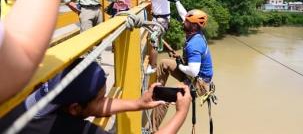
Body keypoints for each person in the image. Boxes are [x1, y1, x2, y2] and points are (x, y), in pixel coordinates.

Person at [0, 58, 191, 134]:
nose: (105, 100)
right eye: (101, 98)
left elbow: (92, 105)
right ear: (74, 108)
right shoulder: (66, 129)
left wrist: (138, 103)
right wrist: (181, 113)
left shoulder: (36, 91)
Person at [152, 6, 214, 131]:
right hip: (192, 75)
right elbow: (183, 15)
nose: (183, 22)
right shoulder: (194, 33)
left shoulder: (194, 44)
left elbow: (193, 71)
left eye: (186, 21)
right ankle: (157, 89)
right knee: (164, 63)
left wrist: (180, 65)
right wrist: (176, 1)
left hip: (198, 83)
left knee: (165, 95)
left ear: (194, 26)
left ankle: (153, 129)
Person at [139, 0, 179, 74]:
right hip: (155, 18)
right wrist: (143, 0)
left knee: (153, 38)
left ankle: (153, 66)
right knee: (151, 37)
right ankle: (157, 50)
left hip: (164, 19)